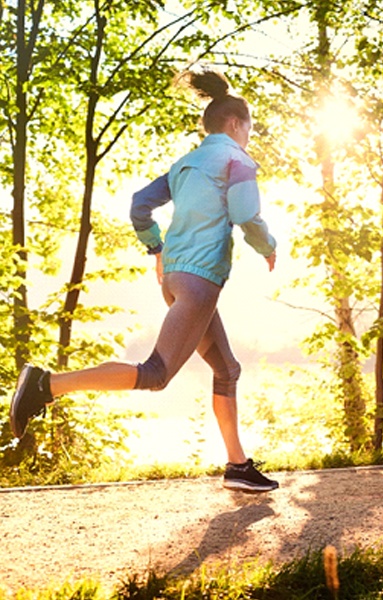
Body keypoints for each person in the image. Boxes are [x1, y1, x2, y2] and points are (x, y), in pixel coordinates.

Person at [9, 69, 279, 493]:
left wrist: (156, 249)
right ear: (234, 123)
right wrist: (268, 247)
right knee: (155, 373)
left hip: (175, 278)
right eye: (249, 128)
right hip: (198, 283)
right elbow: (245, 214)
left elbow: (140, 206)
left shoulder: (184, 164)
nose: (249, 136)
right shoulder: (237, 160)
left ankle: (237, 466)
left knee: (227, 368)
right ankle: (46, 385)